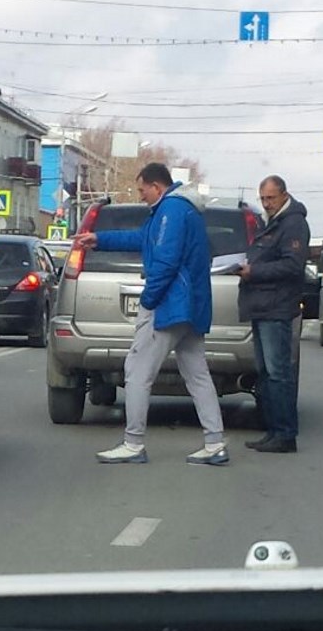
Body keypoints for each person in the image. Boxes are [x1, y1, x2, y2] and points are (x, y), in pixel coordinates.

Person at [71, 163, 227, 466]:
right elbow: (142, 238)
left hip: (170, 305)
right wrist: (100, 239)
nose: (141, 195)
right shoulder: (182, 210)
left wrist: (149, 300)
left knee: (138, 371)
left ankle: (133, 442)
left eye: (142, 189)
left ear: (157, 186)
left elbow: (166, 261)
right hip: (191, 305)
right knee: (197, 374)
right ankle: (215, 442)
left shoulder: (171, 211)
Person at [238, 175, 310, 454]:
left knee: (278, 372)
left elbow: (293, 265)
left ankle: (285, 433)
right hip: (263, 305)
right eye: (263, 198)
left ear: (284, 195)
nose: (266, 203)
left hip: (277, 307)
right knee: (266, 372)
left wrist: (253, 271)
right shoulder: (274, 222)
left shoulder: (293, 224)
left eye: (271, 198)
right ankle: (273, 431)